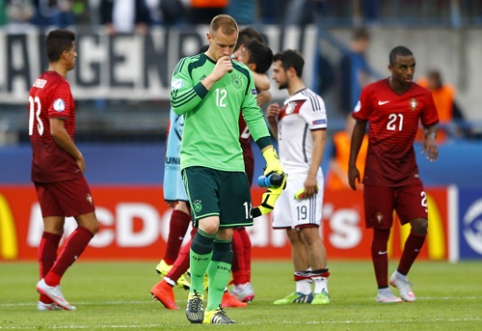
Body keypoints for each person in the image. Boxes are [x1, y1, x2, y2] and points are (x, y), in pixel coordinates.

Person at [171, 14, 285, 324]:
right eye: (221, 45)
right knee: (208, 225)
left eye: (232, 47)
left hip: (232, 163)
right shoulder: (189, 67)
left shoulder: (243, 76)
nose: (227, 53)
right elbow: (179, 103)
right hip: (198, 160)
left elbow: (254, 115)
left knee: (226, 233)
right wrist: (210, 79)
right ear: (209, 38)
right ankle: (195, 293)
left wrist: (271, 156)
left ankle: (213, 309)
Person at [348, 46, 439, 303]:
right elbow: (359, 126)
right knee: (382, 231)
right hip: (378, 172)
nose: (409, 72)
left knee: (421, 224)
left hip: (407, 171)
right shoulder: (372, 92)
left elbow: (431, 122)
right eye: (403, 67)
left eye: (412, 66)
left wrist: (430, 137)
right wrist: (352, 164)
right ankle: (382, 291)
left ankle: (400, 275)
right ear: (390, 68)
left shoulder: (422, 95)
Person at [29, 29, 100, 311]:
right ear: (64, 54)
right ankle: (52, 281)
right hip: (59, 165)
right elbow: (57, 129)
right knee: (90, 225)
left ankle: (46, 298)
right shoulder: (59, 86)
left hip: (39, 164)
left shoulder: (39, 83)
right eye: (73, 51)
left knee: (53, 228)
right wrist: (77, 154)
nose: (76, 55)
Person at [266, 49, 330, 305]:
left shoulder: (311, 101)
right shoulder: (288, 105)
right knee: (293, 233)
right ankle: (303, 289)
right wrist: (273, 122)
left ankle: (322, 288)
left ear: (291, 71)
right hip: (286, 175)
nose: (273, 75)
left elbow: (320, 138)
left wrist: (312, 175)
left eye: (277, 70)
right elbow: (283, 140)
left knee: (309, 231)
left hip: (304, 174)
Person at [417, 70, 468, 140]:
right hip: (420, 135)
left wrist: (465, 130)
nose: (432, 83)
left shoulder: (446, 94)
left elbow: (457, 113)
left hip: (439, 135)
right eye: (431, 80)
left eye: (434, 80)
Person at [326, 114, 368, 190]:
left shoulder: (367, 141)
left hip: (360, 185)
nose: (353, 127)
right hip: (339, 185)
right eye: (351, 124)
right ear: (346, 125)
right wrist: (344, 179)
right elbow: (333, 162)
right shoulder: (338, 139)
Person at [337, 27, 371, 118]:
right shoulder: (348, 60)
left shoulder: (361, 59)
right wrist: (346, 109)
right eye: (365, 44)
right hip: (350, 107)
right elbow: (344, 85)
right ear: (360, 41)